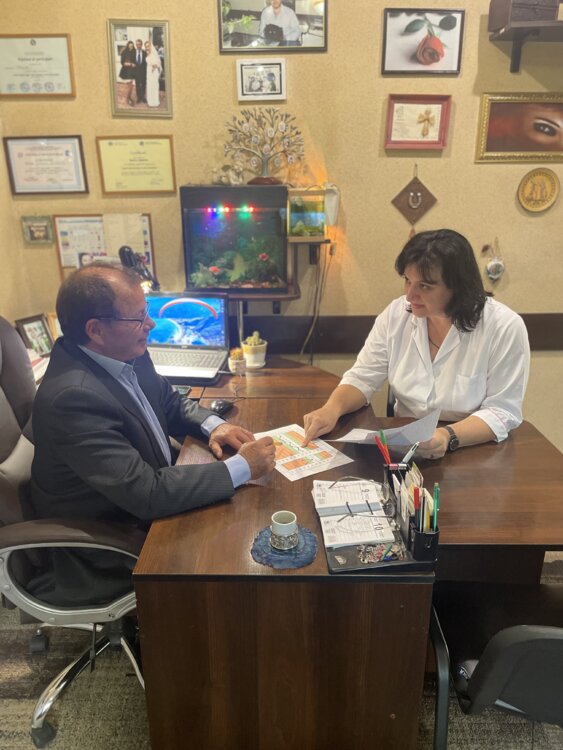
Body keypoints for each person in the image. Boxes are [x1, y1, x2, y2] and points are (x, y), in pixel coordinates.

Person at [30, 264, 275, 604]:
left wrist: (216, 426)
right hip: (110, 539)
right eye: (137, 318)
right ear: (96, 330)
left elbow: (168, 401)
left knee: (249, 526)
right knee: (239, 557)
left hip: (146, 500)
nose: (151, 324)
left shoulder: (124, 351)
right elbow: (146, 493)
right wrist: (243, 467)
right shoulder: (72, 398)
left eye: (146, 312)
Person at [302, 229, 530, 460]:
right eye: (407, 281)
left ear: (458, 286)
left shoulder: (504, 327)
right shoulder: (396, 314)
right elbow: (363, 378)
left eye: (425, 286)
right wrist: (331, 409)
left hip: (473, 449)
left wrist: (447, 436)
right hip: (406, 444)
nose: (410, 295)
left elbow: (502, 411)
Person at [118, 40, 136, 106]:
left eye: (132, 46)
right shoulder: (124, 52)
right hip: (126, 71)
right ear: (128, 45)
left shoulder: (134, 51)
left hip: (132, 71)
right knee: (129, 86)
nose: (131, 47)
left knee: (131, 86)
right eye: (130, 45)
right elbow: (122, 62)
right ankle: (128, 99)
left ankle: (129, 98)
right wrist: (131, 64)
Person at [144, 41, 162, 107]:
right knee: (149, 86)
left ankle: (155, 102)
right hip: (148, 71)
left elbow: (158, 63)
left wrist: (154, 66)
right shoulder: (147, 53)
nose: (147, 47)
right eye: (146, 46)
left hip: (153, 72)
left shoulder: (154, 54)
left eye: (148, 46)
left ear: (151, 46)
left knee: (154, 86)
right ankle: (150, 102)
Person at [132, 39, 146, 105]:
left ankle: (143, 97)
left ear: (141, 45)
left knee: (143, 85)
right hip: (136, 72)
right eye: (137, 44)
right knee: (137, 85)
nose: (138, 46)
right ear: (136, 45)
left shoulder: (144, 52)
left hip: (143, 72)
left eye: (139, 44)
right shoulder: (133, 52)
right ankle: (139, 97)